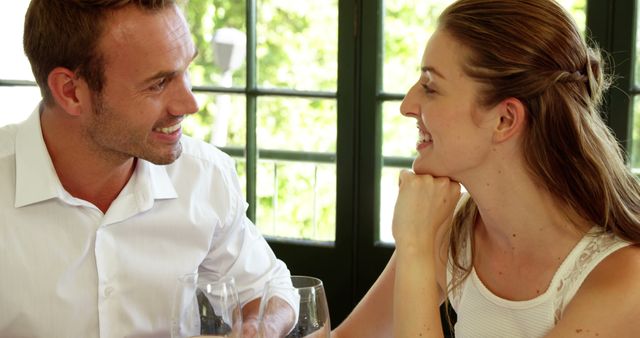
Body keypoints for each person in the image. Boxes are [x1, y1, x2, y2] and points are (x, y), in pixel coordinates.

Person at [333, 0, 640, 337]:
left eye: (430, 87)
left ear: (504, 120)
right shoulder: (455, 231)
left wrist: (414, 248)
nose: (407, 105)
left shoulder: (624, 277)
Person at [0, 1, 295, 337]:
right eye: (158, 84)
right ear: (71, 92)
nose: (190, 103)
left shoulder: (204, 176)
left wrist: (260, 326)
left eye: (186, 70)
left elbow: (267, 287)